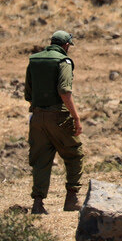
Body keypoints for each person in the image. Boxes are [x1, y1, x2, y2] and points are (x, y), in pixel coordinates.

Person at [25, 30, 83, 215]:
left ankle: (38, 203)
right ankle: (71, 198)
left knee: (41, 160)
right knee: (74, 154)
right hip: (59, 116)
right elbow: (64, 91)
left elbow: (28, 94)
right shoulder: (63, 61)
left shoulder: (34, 60)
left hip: (37, 117)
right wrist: (76, 117)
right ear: (66, 46)